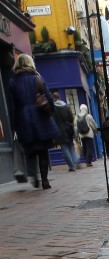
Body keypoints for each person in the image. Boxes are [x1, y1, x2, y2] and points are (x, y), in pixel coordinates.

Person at [7, 54, 59, 189]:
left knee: (30, 152)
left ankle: (34, 178)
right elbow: (48, 97)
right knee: (43, 151)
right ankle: (45, 180)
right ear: (30, 63)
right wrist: (51, 111)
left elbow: (12, 106)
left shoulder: (12, 82)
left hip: (23, 120)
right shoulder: (38, 79)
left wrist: (13, 125)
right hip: (40, 118)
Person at [52, 92, 78, 172]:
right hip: (68, 130)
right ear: (59, 97)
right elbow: (71, 118)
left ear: (54, 98)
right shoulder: (66, 106)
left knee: (65, 149)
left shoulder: (53, 107)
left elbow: (52, 120)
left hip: (59, 131)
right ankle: (75, 162)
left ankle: (71, 166)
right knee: (71, 147)